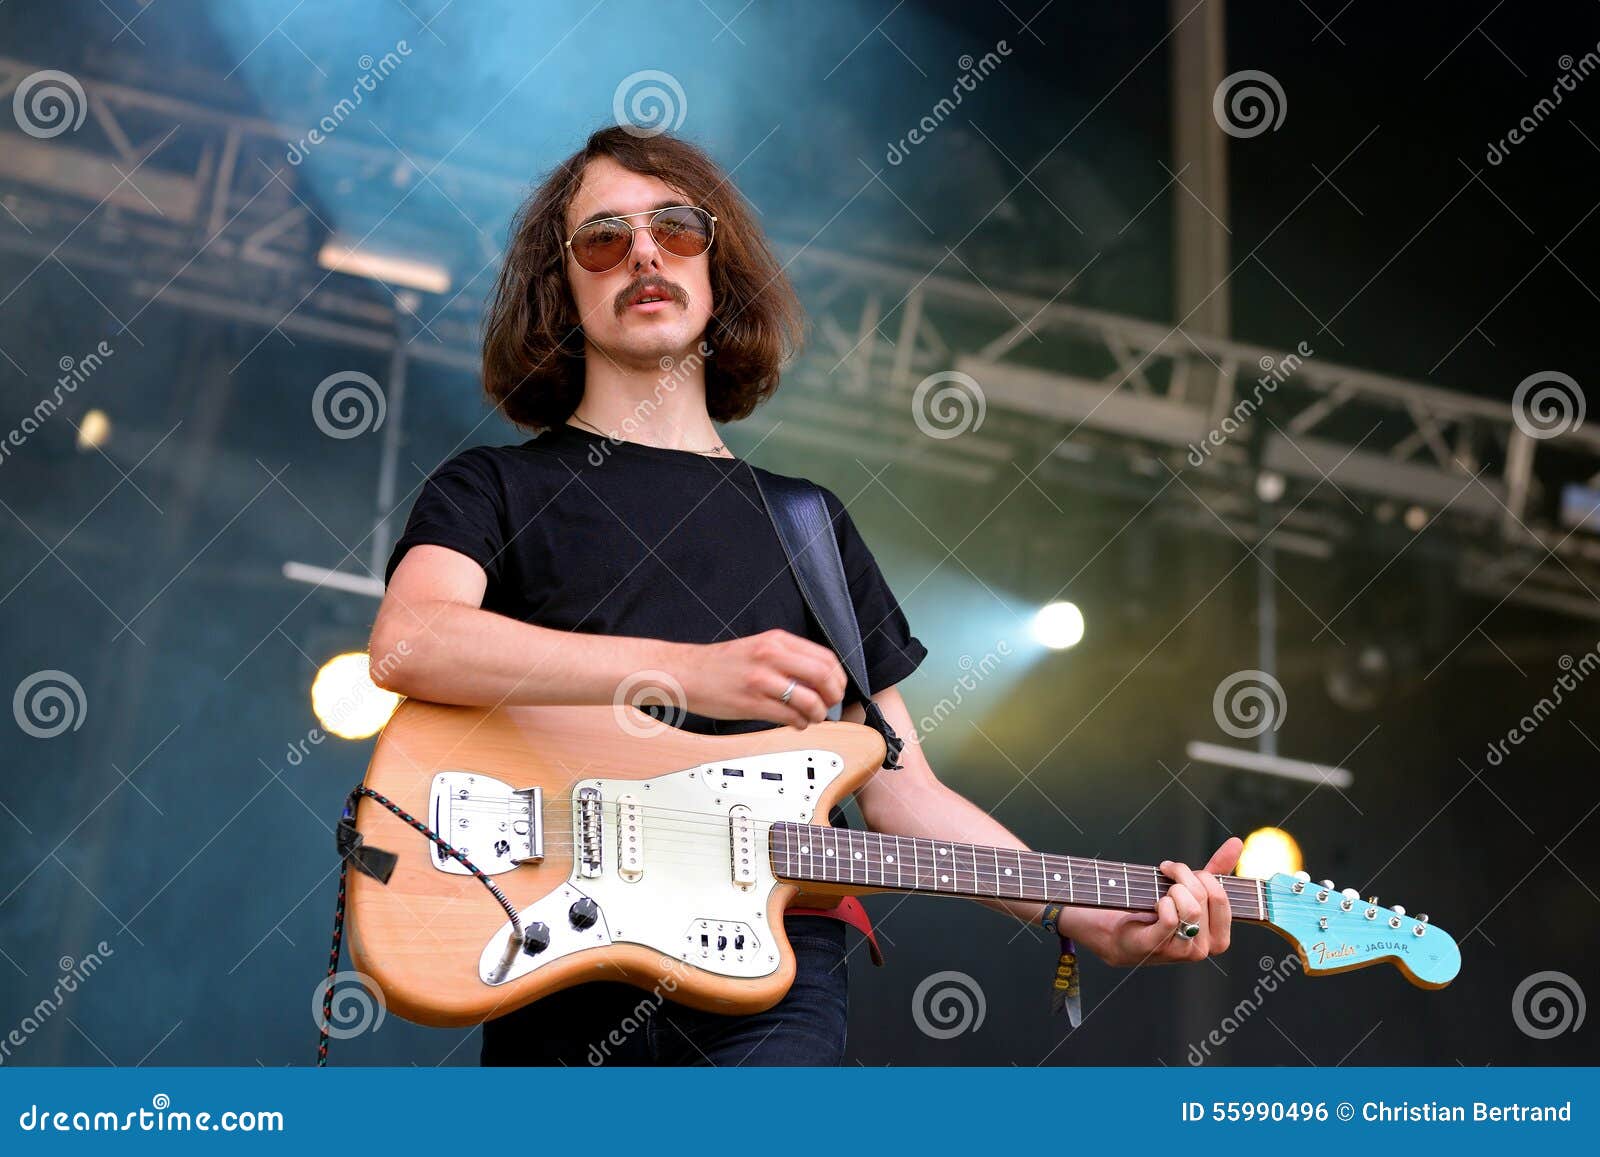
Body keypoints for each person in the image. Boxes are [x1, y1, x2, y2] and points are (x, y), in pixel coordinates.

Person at [369, 125, 1242, 1066]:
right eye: (603, 238)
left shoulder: (809, 526)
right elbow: (409, 642)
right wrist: (688, 672)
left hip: (771, 986)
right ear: (564, 289)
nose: (646, 252)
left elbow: (903, 796)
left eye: (676, 227)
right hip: (555, 957)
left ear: (717, 266)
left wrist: (1083, 912)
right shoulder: (493, 486)